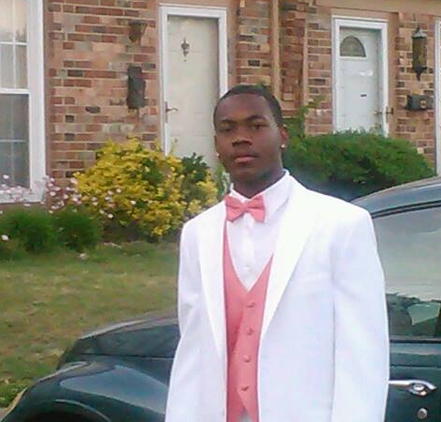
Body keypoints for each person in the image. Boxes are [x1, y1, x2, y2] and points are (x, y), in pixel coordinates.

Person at [166, 85, 389, 422]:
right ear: (216, 144)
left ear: (282, 136)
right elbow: (192, 351)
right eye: (228, 130)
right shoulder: (198, 233)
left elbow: (363, 353)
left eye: (256, 126)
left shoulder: (341, 225)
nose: (241, 138)